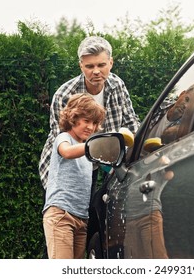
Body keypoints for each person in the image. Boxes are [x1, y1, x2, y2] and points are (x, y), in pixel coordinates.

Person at [39, 36, 140, 190]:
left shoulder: (117, 85)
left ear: (111, 63)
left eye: (101, 65)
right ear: (81, 66)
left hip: (110, 156)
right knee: (74, 209)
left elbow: (130, 122)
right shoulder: (65, 94)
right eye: (89, 66)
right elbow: (61, 138)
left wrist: (140, 147)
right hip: (73, 165)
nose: (96, 71)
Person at [42, 93, 105, 259]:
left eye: (94, 123)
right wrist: (94, 146)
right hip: (61, 214)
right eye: (86, 121)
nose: (91, 127)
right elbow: (67, 152)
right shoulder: (64, 138)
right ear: (72, 117)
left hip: (81, 219)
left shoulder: (87, 151)